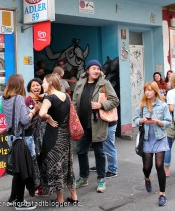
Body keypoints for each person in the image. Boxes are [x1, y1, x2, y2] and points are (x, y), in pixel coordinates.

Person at [72, 60, 119, 193]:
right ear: (88, 70)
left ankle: (101, 179)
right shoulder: (80, 83)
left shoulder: (104, 83)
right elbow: (75, 102)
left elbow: (115, 100)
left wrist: (101, 105)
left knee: (99, 152)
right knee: (81, 151)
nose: (96, 70)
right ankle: (83, 177)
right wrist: (74, 119)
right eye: (94, 68)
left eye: (98, 68)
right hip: (82, 124)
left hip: (98, 123)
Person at [38, 74, 79, 206]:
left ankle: (60, 198)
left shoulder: (49, 98)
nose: (41, 85)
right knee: (67, 166)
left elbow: (41, 113)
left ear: (50, 83)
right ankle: (74, 196)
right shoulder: (66, 96)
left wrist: (48, 118)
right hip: (65, 136)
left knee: (56, 166)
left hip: (53, 136)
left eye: (43, 83)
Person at [134, 81, 172, 207]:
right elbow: (135, 119)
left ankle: (162, 194)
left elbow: (168, 121)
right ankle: (147, 178)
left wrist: (158, 122)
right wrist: (142, 120)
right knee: (147, 167)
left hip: (160, 139)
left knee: (159, 165)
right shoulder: (142, 105)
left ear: (155, 91)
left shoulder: (163, 105)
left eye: (149, 90)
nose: (147, 92)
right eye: (146, 90)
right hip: (146, 140)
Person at [2, 74, 36, 210]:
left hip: (11, 138)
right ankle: (20, 202)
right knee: (23, 170)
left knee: (17, 170)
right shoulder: (19, 99)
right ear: (19, 85)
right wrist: (33, 112)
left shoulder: (4, 99)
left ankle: (12, 198)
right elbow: (24, 120)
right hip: (20, 139)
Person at [25, 78, 47, 196]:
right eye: (33, 86)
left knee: (45, 159)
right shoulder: (27, 100)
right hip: (33, 136)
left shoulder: (45, 98)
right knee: (36, 160)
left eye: (38, 85)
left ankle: (45, 185)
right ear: (29, 88)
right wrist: (35, 109)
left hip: (45, 133)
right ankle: (37, 186)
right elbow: (26, 118)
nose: (36, 87)